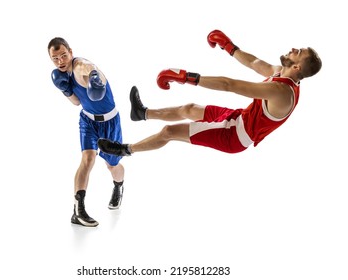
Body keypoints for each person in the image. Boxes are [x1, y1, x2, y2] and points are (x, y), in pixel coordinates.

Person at [97, 29, 322, 158]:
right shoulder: (281, 73)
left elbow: (229, 85)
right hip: (238, 118)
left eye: (298, 52)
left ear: (297, 68)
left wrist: (187, 77)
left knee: (169, 132)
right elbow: (254, 63)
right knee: (189, 109)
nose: (294, 49)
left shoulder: (280, 91)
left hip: (233, 136)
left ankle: (124, 150)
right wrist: (228, 46)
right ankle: (142, 113)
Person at [48, 37, 125, 227]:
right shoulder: (61, 75)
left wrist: (94, 78)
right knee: (87, 159)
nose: (61, 62)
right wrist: (65, 90)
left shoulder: (81, 65)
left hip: (109, 122)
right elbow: (76, 102)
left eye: (64, 56)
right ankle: (78, 210)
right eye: (55, 58)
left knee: (111, 164)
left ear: (71, 52)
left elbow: (90, 68)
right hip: (87, 120)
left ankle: (118, 186)